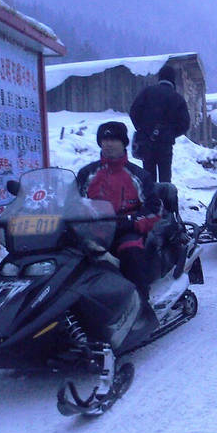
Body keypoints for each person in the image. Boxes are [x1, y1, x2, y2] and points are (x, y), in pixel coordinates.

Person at [77, 121, 162, 330]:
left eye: (113, 139)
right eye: (104, 139)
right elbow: (72, 203)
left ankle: (141, 308)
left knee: (130, 251)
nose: (108, 144)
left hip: (126, 231)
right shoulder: (86, 174)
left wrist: (133, 222)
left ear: (124, 143)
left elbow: (154, 208)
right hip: (93, 231)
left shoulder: (138, 175)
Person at [129, 65, 190, 183]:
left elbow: (134, 112)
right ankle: (165, 199)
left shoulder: (147, 92)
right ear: (173, 79)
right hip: (165, 145)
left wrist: (142, 129)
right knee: (165, 177)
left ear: (159, 77)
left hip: (146, 142)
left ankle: (150, 200)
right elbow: (185, 124)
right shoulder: (177, 98)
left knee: (148, 176)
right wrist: (170, 133)